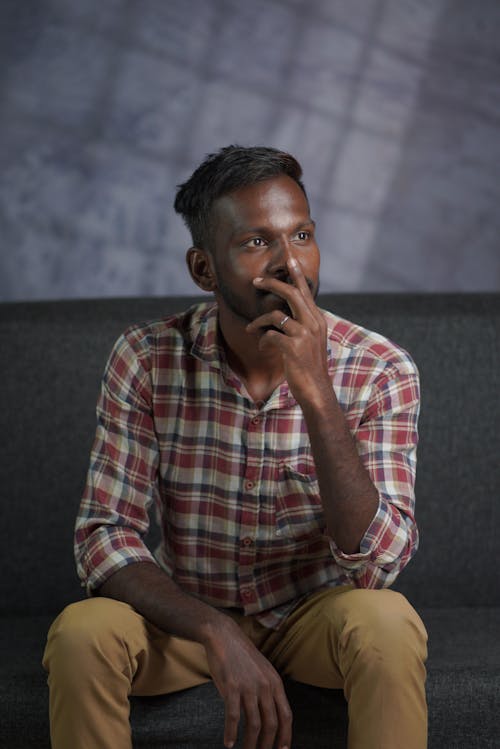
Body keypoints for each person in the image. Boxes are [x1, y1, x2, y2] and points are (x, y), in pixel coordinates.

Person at [43, 145, 428, 749]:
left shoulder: (380, 369)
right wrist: (215, 630)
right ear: (203, 269)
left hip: (314, 617)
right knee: (81, 631)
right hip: (187, 624)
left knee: (390, 622)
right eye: (256, 243)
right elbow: (103, 537)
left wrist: (317, 396)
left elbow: (379, 562)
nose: (291, 266)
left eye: (302, 235)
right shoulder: (146, 359)